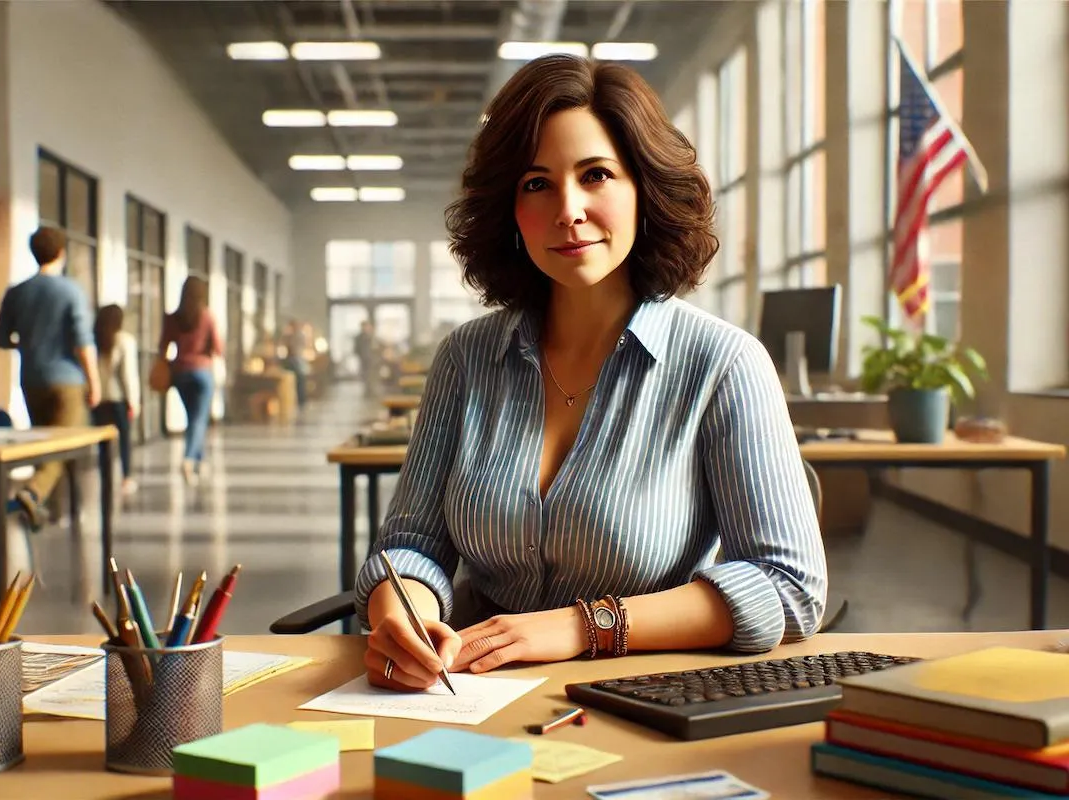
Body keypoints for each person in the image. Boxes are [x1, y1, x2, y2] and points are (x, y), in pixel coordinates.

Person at [354, 54, 827, 692]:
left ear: (644, 189)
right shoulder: (465, 358)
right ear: (510, 211)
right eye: (536, 183)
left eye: (596, 174)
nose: (567, 209)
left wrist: (583, 627)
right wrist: (401, 612)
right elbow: (412, 543)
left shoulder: (724, 364)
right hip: (468, 690)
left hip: (638, 691)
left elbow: (789, 587)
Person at [0, 226, 101, 531]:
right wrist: (94, 382)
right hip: (67, 380)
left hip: (31, 377)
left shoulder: (17, 293)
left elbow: (2, 338)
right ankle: (33, 493)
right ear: (61, 253)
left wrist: (29, 344)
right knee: (64, 445)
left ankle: (53, 513)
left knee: (46, 443)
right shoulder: (70, 291)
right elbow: (83, 341)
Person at [159, 276, 221, 485]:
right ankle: (187, 459)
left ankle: (200, 461)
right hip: (202, 372)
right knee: (198, 419)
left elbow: (163, 346)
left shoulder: (173, 318)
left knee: (193, 418)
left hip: (180, 373)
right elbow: (217, 347)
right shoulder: (207, 317)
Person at [92, 304, 140, 496]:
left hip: (99, 400)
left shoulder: (94, 341)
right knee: (124, 441)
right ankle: (126, 478)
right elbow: (128, 375)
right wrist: (133, 400)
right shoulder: (124, 340)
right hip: (119, 399)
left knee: (103, 442)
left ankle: (105, 477)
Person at [354, 320, 380, 397]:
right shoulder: (359, 338)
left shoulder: (373, 337)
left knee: (372, 376)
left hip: (373, 360)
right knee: (365, 375)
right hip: (364, 360)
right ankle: (367, 391)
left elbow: (377, 348)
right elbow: (356, 349)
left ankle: (372, 390)